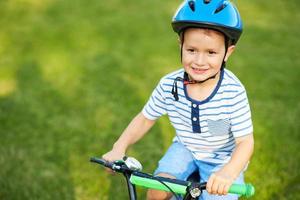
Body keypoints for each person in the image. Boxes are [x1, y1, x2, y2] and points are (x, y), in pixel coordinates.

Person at [102, 0, 254, 199]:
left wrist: (229, 172)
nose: (199, 61)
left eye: (211, 53)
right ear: (181, 45)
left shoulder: (233, 92)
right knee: (156, 192)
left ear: (227, 53)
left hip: (222, 159)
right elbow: (145, 118)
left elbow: (245, 142)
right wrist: (119, 147)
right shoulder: (169, 85)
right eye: (192, 50)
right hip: (185, 148)